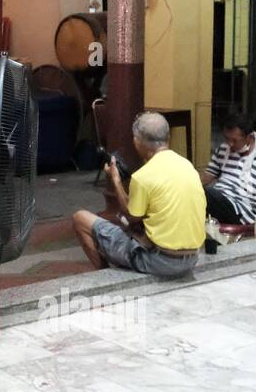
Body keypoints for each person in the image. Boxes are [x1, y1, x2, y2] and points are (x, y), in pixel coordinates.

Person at [72, 112, 205, 278]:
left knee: (80, 218)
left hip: (159, 262)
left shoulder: (143, 177)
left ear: (137, 141)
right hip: (191, 259)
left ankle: (104, 279)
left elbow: (131, 215)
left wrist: (116, 180)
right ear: (168, 137)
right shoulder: (187, 166)